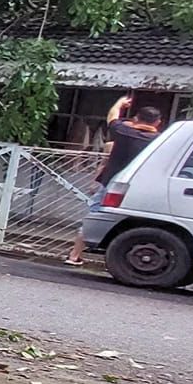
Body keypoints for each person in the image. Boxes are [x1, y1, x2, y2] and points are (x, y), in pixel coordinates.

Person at [65, 95, 163, 265]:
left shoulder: (124, 132)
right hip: (143, 189)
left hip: (112, 185)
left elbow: (112, 117)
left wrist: (120, 103)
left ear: (135, 119)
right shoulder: (161, 141)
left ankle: (74, 255)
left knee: (95, 215)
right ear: (158, 123)